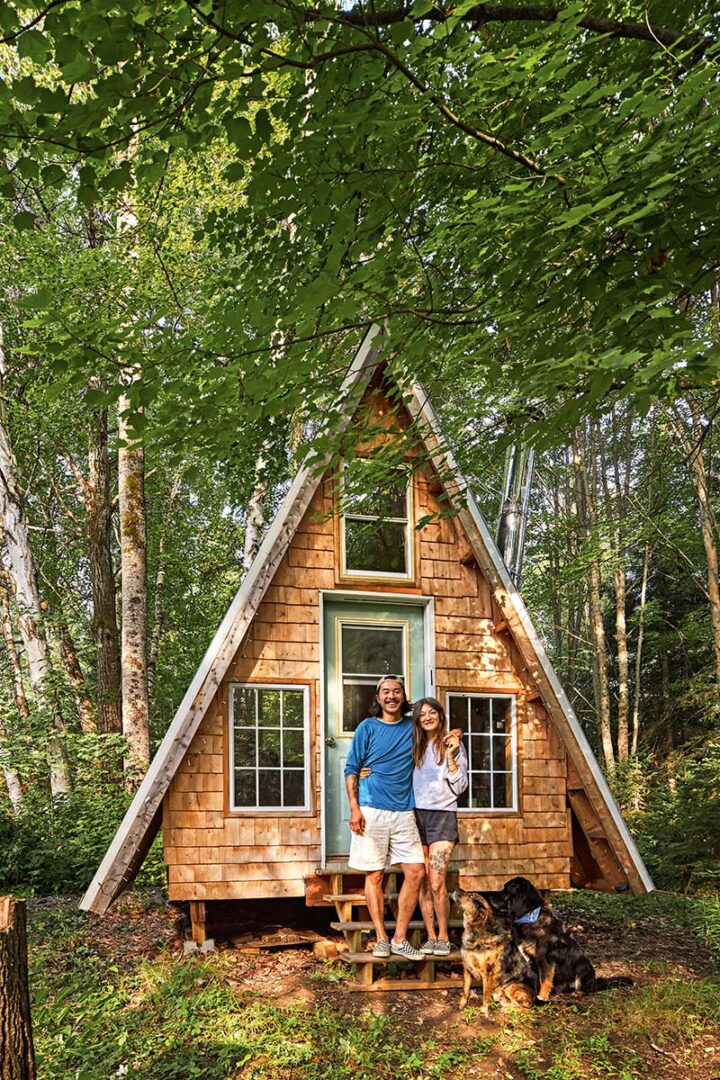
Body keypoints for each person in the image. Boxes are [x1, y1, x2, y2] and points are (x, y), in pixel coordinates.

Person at [344, 676, 426, 960]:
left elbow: (435, 730)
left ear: (403, 696)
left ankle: (399, 939)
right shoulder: (367, 727)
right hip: (371, 809)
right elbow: (351, 769)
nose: (392, 696)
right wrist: (354, 807)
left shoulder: (413, 727)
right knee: (375, 874)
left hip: (404, 810)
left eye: (397, 691)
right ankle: (381, 938)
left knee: (416, 872)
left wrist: (454, 735)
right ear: (378, 698)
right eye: (386, 692)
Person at [411, 697, 468, 957]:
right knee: (423, 880)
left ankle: (443, 936)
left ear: (440, 715)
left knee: (436, 881)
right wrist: (366, 771)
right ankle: (431, 937)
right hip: (416, 815)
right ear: (417, 720)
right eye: (422, 714)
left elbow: (460, 786)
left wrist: (452, 756)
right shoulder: (414, 746)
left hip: (443, 816)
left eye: (432, 712)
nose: (427, 717)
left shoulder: (452, 744)